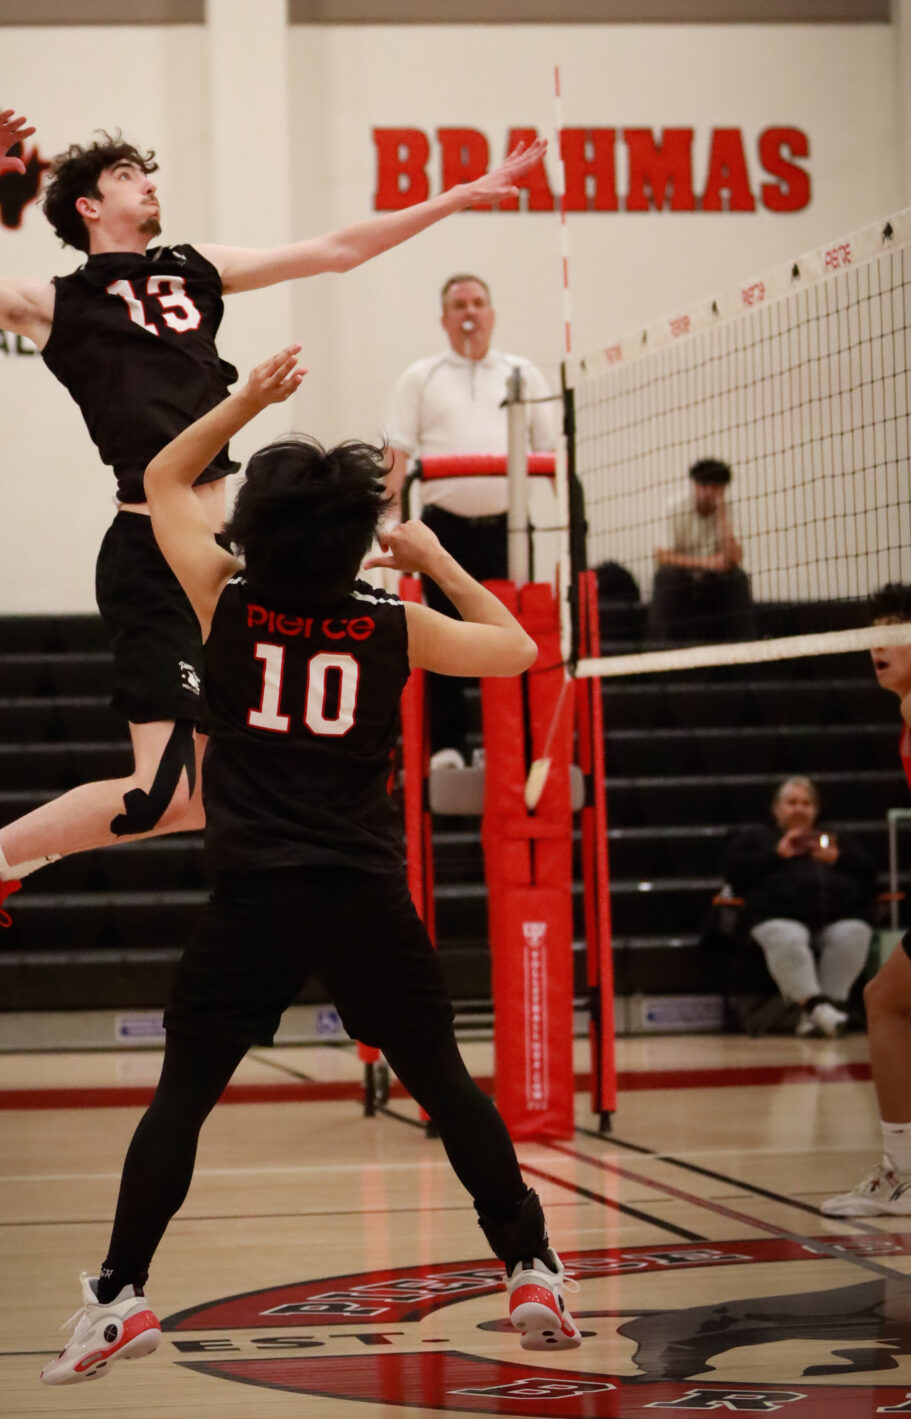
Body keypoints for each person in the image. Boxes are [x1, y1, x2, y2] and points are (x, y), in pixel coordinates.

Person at [0, 108, 547, 997]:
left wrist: (458, 196)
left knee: (205, 794)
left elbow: (337, 248)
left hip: (235, 554)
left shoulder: (194, 267)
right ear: (87, 205)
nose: (149, 181)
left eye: (147, 170)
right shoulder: (52, 301)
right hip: (154, 546)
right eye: (127, 174)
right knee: (164, 796)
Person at [38, 346, 579, 1385]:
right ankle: (532, 1269)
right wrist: (435, 561)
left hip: (253, 900)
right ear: (352, 539)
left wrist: (245, 399)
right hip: (364, 897)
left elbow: (158, 481)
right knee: (446, 1084)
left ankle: (118, 1296)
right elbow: (517, 650)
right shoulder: (393, 623)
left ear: (258, 530)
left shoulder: (223, 602)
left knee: (184, 1095)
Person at [822, 582, 911, 1219]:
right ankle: (903, 1173)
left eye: (895, 629)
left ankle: (904, 1174)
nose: (877, 643)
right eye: (872, 630)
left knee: (884, 1000)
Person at [383, 274, 559, 762]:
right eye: (459, 304)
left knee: (514, 634)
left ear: (492, 313)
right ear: (443, 318)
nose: (469, 313)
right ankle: (448, 747)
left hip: (509, 531)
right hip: (444, 528)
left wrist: (571, 522)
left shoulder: (522, 373)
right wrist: (388, 528)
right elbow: (394, 453)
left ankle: (514, 746)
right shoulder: (421, 376)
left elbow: (550, 452)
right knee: (440, 631)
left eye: (479, 303)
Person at [724, 776, 875, 1037]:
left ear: (815, 809)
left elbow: (870, 874)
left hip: (836, 916)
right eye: (792, 802)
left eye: (806, 803)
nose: (799, 808)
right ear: (777, 809)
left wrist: (839, 858)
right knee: (788, 936)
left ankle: (820, 1014)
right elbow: (734, 875)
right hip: (775, 916)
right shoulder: (757, 838)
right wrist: (775, 855)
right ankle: (820, 1011)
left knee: (854, 933)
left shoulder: (836, 838)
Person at [649, 458, 753, 645]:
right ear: (694, 485)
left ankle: (742, 652)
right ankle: (658, 652)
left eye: (715, 487)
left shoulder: (729, 511)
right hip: (680, 576)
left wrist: (721, 515)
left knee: (738, 578)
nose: (708, 492)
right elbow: (661, 556)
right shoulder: (674, 507)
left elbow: (734, 557)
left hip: (711, 579)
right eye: (704, 485)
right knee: (666, 576)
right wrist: (705, 562)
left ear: (723, 489)